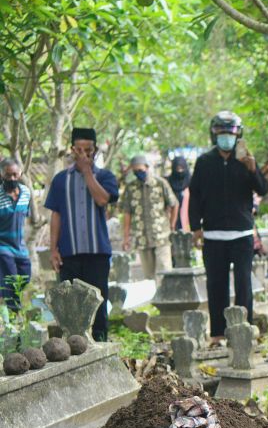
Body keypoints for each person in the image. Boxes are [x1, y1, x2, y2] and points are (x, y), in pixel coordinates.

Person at [189, 111, 267, 341]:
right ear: (214, 135)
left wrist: (253, 169)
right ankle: (218, 334)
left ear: (238, 135)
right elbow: (195, 196)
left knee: (244, 284)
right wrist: (196, 228)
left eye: (230, 133)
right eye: (221, 133)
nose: (226, 137)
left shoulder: (246, 160)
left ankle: (243, 331)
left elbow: (263, 189)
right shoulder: (204, 162)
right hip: (213, 235)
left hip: (242, 234)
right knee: (216, 286)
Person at [44, 127, 120, 341]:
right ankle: (73, 344)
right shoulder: (60, 180)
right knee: (72, 304)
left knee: (99, 301)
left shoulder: (105, 176)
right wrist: (53, 250)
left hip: (97, 252)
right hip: (69, 252)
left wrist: (87, 172)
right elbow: (56, 215)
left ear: (95, 150)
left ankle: (101, 342)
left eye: (88, 150)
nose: (84, 154)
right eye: (79, 150)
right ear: (72, 150)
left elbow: (103, 199)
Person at [121, 154, 177, 279]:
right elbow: (127, 213)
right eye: (135, 171)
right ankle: (155, 298)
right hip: (142, 238)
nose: (138, 173)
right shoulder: (130, 188)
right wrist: (126, 237)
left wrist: (172, 225)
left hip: (161, 236)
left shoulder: (160, 183)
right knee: (149, 276)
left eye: (140, 170)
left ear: (147, 167)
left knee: (165, 274)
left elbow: (174, 204)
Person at [0, 158, 33, 311]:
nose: (12, 178)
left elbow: (26, 216)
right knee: (11, 278)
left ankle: (7, 297)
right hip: (3, 246)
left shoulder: (26, 193)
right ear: (2, 175)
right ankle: (14, 312)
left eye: (15, 175)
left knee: (25, 276)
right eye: (8, 175)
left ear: (20, 174)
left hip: (20, 246)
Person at [166, 155, 191, 231]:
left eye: (182, 169)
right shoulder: (168, 182)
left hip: (188, 220)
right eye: (177, 169)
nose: (180, 171)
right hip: (172, 219)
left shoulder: (192, 181)